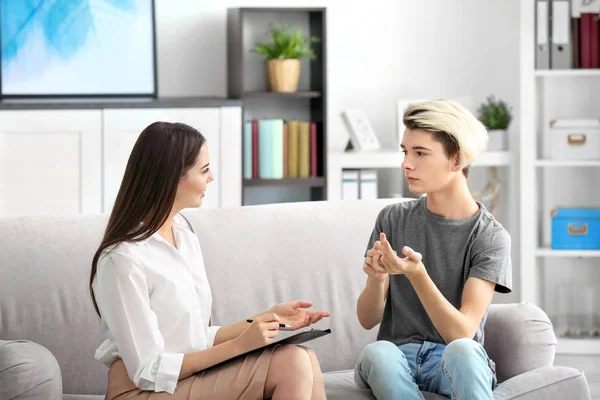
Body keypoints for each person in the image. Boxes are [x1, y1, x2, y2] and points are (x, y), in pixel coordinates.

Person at [89, 121, 330, 400]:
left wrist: (269, 318)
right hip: (142, 391)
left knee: (304, 356)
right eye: (204, 170)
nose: (212, 177)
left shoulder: (184, 236)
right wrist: (241, 345)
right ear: (171, 177)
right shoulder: (123, 259)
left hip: (185, 380)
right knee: (292, 363)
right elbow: (148, 369)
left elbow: (195, 337)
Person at [354, 99, 512, 400]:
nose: (406, 163)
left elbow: (462, 333)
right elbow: (367, 319)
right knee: (378, 353)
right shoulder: (392, 218)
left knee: (465, 350)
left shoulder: (490, 237)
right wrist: (377, 279)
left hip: (452, 363)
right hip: (395, 360)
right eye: (405, 152)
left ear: (456, 159)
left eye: (420, 153)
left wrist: (417, 275)